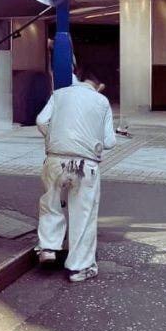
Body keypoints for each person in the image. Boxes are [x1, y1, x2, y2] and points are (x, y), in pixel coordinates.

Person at [34, 68, 116, 283]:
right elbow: (109, 141)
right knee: (83, 214)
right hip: (85, 164)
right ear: (98, 86)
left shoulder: (59, 94)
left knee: (50, 204)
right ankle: (79, 268)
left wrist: (54, 136)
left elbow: (41, 120)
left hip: (55, 159)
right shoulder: (101, 101)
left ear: (79, 79)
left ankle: (48, 248)